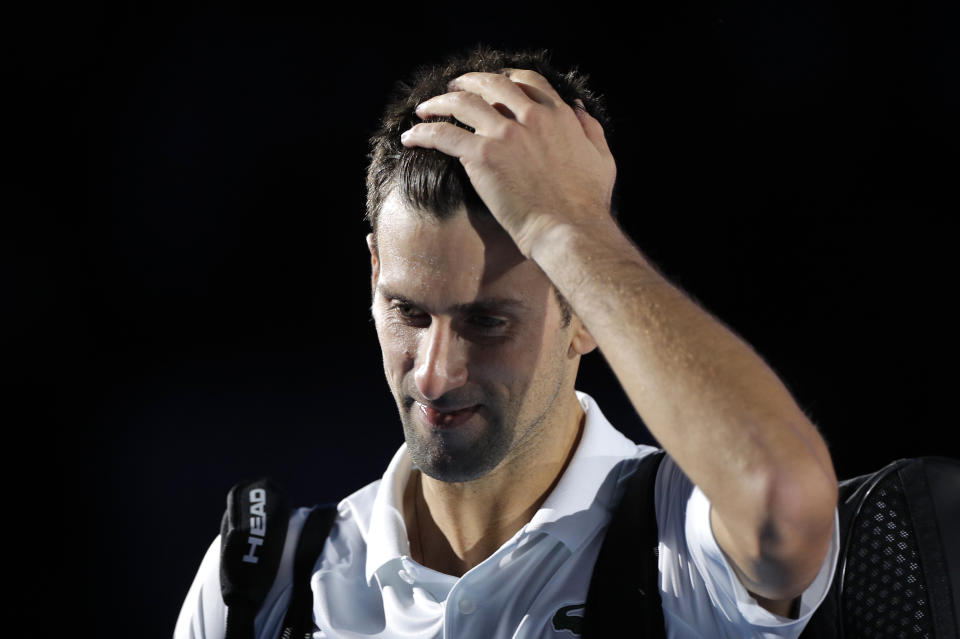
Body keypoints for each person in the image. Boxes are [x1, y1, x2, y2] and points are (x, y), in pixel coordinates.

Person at [175, 47, 840, 638]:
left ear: (586, 313)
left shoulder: (681, 547)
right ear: (374, 272)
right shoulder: (261, 588)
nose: (434, 375)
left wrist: (570, 227)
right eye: (408, 311)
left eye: (486, 322)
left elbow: (783, 498)